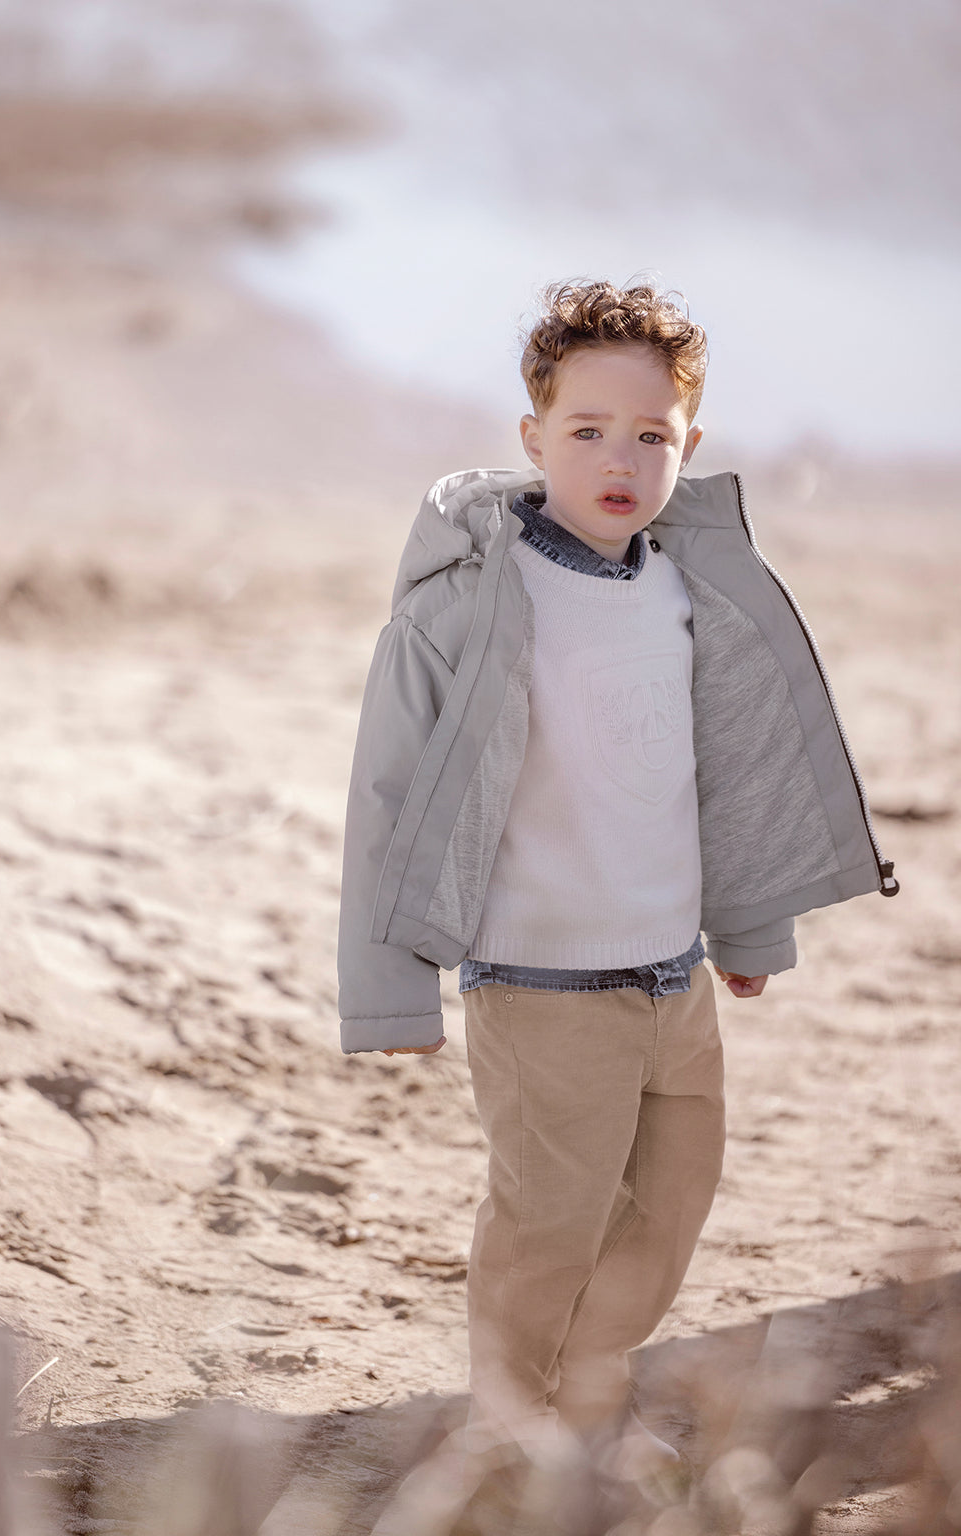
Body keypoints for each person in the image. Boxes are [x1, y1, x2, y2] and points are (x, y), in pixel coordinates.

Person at [337, 281, 898, 1460]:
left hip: (670, 977)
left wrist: (750, 934)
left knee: (668, 1211)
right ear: (532, 436)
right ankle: (514, 1420)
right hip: (537, 980)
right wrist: (390, 991)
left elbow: (728, 775)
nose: (620, 458)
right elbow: (388, 797)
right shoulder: (471, 601)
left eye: (652, 435)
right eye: (587, 429)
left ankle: (585, 1399)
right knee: (548, 1223)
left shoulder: (690, 587)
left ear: (688, 445)